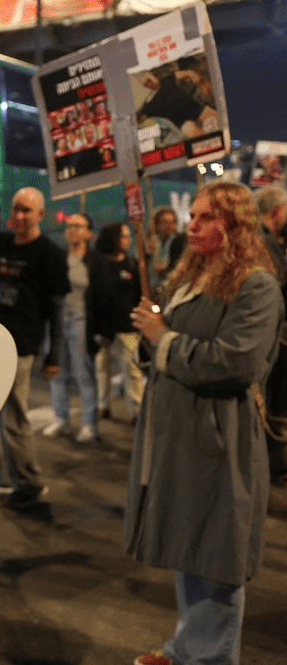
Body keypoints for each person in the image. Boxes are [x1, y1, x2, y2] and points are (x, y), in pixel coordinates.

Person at [126, 181, 281, 665]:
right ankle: (186, 649)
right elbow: (167, 349)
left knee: (217, 559)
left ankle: (211, 659)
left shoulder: (256, 284)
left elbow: (236, 363)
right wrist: (153, 339)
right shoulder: (192, 276)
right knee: (190, 545)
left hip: (220, 439)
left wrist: (163, 338)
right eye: (192, 216)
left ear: (234, 225)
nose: (192, 225)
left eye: (206, 217)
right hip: (181, 436)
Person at [0, 186, 68, 511]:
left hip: (20, 347)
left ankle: (30, 483)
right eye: (16, 209)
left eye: (27, 211)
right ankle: (0, 475)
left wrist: (54, 355)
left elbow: (56, 309)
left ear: (40, 215)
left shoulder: (49, 253)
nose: (20, 217)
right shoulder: (2, 244)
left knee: (15, 420)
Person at [43, 213, 102, 443]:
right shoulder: (59, 257)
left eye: (78, 226)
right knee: (57, 372)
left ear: (88, 232)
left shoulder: (94, 261)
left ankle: (90, 423)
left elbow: (101, 294)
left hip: (81, 321)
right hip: (57, 321)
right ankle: (62, 420)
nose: (73, 230)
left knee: (82, 372)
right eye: (70, 226)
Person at [90, 221, 146, 422]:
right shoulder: (99, 265)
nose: (127, 240)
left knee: (132, 369)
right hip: (103, 328)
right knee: (101, 368)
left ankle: (137, 410)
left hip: (127, 327)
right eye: (123, 236)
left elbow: (140, 294)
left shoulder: (132, 264)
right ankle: (102, 405)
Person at [252, 185, 287, 484]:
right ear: (276, 211)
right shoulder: (263, 244)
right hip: (272, 341)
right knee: (273, 404)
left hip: (273, 338)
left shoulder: (268, 241)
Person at [147, 206, 184, 291]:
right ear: (157, 224)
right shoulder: (152, 240)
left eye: (172, 222)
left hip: (172, 286)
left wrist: (165, 268)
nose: (169, 226)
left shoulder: (179, 241)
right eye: (165, 222)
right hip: (155, 286)